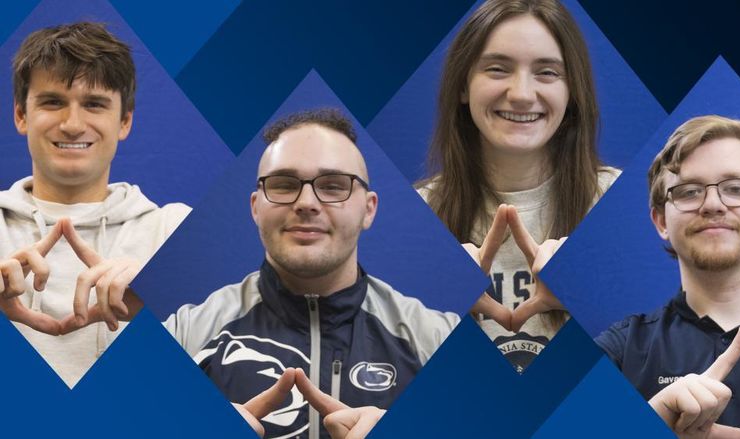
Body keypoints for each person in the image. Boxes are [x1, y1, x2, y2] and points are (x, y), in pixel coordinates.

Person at [164, 109, 459, 439]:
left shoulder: (440, 341)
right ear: (255, 207)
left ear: (369, 208)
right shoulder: (183, 336)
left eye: (333, 186)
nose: (306, 202)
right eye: (284, 184)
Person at [417, 0, 619, 373]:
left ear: (572, 91)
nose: (522, 93)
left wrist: (585, 297)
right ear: (463, 85)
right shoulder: (415, 216)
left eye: (547, 72)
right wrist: (438, 299)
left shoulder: (623, 205)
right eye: (497, 69)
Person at [0, 22, 190, 388]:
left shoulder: (176, 231)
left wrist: (161, 290)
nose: (72, 124)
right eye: (53, 102)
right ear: (21, 115)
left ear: (124, 121)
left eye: (94, 104)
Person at [596, 115, 740, 437]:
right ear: (661, 221)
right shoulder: (621, 350)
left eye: (736, 188)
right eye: (688, 192)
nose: (712, 204)